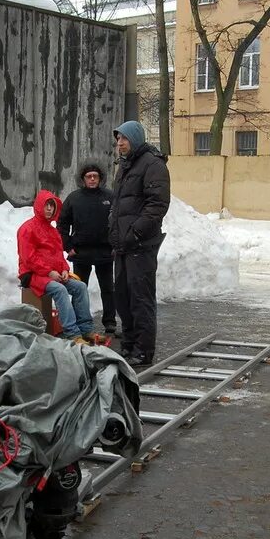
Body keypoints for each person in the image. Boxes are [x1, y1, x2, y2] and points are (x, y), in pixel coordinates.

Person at [108, 120, 169, 367]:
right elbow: (119, 205)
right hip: (122, 245)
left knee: (140, 299)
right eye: (117, 140)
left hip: (141, 245)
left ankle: (143, 351)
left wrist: (134, 233)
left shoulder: (152, 165)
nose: (119, 143)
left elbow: (157, 206)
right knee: (122, 297)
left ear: (135, 138)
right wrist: (113, 231)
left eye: (123, 138)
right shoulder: (125, 166)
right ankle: (129, 345)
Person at [17, 189, 96, 343]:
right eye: (46, 205)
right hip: (32, 274)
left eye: (52, 206)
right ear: (39, 206)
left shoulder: (53, 231)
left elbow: (59, 255)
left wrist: (65, 269)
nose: (49, 209)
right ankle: (72, 333)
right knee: (60, 290)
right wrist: (49, 272)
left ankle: (86, 330)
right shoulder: (27, 228)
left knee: (80, 287)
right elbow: (29, 258)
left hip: (52, 274)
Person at [57, 162, 117, 335]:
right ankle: (79, 322)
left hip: (105, 252)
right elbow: (62, 224)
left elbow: (118, 222)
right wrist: (68, 246)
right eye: (88, 176)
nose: (92, 179)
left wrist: (115, 245)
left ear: (100, 178)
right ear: (83, 179)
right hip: (81, 252)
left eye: (95, 176)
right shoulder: (74, 198)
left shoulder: (110, 197)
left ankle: (110, 322)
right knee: (80, 289)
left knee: (108, 289)